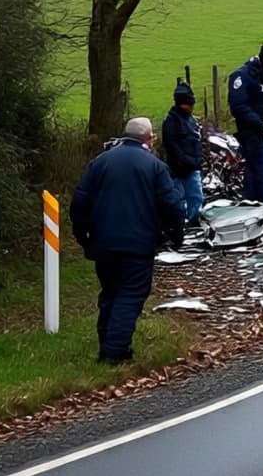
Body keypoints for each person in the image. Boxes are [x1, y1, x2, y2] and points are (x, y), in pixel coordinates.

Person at [71, 117, 185, 364]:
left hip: (104, 244)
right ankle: (114, 353)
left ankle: (109, 346)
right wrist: (176, 237)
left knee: (110, 293)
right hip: (138, 244)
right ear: (148, 139)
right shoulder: (155, 166)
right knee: (130, 295)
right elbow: (173, 205)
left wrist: (85, 238)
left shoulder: (99, 163)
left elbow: (79, 203)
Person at [227, 42, 263, 203]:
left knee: (254, 168)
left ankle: (251, 201)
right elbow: (238, 107)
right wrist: (259, 123)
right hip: (249, 129)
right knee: (260, 165)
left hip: (261, 128)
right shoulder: (242, 76)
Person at [162, 79, 204, 223]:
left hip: (192, 168)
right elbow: (171, 144)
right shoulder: (171, 121)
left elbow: (197, 140)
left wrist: (198, 159)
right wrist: (186, 159)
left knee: (196, 197)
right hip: (178, 170)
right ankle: (179, 224)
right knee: (178, 201)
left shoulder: (191, 120)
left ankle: (194, 220)